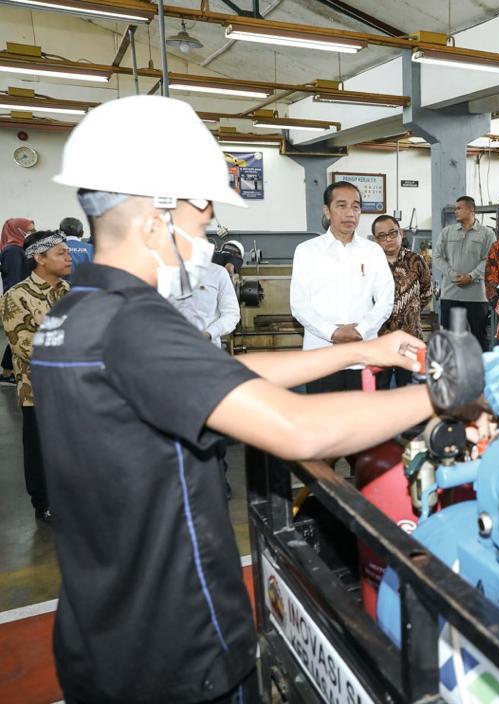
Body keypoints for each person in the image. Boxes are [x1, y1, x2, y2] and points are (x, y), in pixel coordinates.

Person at [32, 95, 432, 704]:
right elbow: (301, 431)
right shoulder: (135, 324)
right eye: (200, 223)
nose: (205, 241)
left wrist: (361, 354)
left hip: (101, 631)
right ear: (153, 219)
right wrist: (444, 394)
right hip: (179, 652)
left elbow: (228, 369)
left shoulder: (76, 314)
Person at [291, 181, 395, 393]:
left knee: (363, 420)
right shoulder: (307, 251)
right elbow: (299, 304)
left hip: (362, 355)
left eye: (355, 207)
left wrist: (360, 330)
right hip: (321, 356)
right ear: (327, 211)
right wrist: (332, 333)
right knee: (323, 420)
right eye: (341, 205)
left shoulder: (372, 251)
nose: (350, 213)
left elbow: (385, 300)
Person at [2, 230, 71, 523]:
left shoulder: (68, 291)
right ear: (39, 258)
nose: (68, 258)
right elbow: (25, 345)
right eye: (61, 254)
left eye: (67, 252)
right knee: (41, 449)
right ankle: (44, 502)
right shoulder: (16, 297)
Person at [372, 214, 431, 389]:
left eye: (393, 233)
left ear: (401, 233)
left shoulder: (416, 261)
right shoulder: (371, 263)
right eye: (382, 236)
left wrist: (408, 310)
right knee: (379, 388)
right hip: (379, 338)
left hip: (410, 337)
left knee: (410, 388)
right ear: (375, 239)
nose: (389, 239)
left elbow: (426, 292)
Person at [435, 195, 495, 351]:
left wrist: (471, 276)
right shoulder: (447, 232)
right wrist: (452, 275)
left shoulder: (487, 234)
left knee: (478, 335)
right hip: (450, 294)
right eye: (455, 208)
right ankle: (450, 370)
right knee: (449, 336)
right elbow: (437, 256)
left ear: (471, 210)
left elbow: (489, 260)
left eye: (459, 208)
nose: (456, 211)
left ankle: (482, 370)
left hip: (476, 295)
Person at [170, 261, 240, 347]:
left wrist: (210, 333)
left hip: (207, 349)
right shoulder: (161, 273)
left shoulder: (218, 273)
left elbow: (232, 313)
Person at [1, 218, 34, 382]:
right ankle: (8, 373)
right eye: (28, 230)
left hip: (24, 296)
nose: (31, 233)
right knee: (19, 336)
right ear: (17, 230)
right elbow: (14, 280)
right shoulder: (12, 250)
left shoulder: (21, 248)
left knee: (20, 335)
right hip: (17, 299)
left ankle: (7, 372)